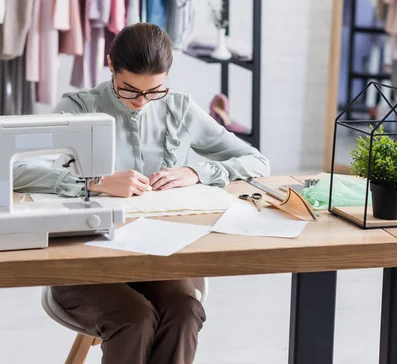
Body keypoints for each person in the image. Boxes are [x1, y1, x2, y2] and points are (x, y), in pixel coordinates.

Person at [14, 23, 270, 364]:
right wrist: (94, 182)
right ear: (110, 67)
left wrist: (195, 172)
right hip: (85, 261)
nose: (140, 102)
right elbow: (15, 168)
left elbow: (256, 160)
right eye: (129, 90)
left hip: (159, 258)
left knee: (185, 311)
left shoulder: (179, 108)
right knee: (135, 318)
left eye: (153, 92)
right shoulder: (78, 106)